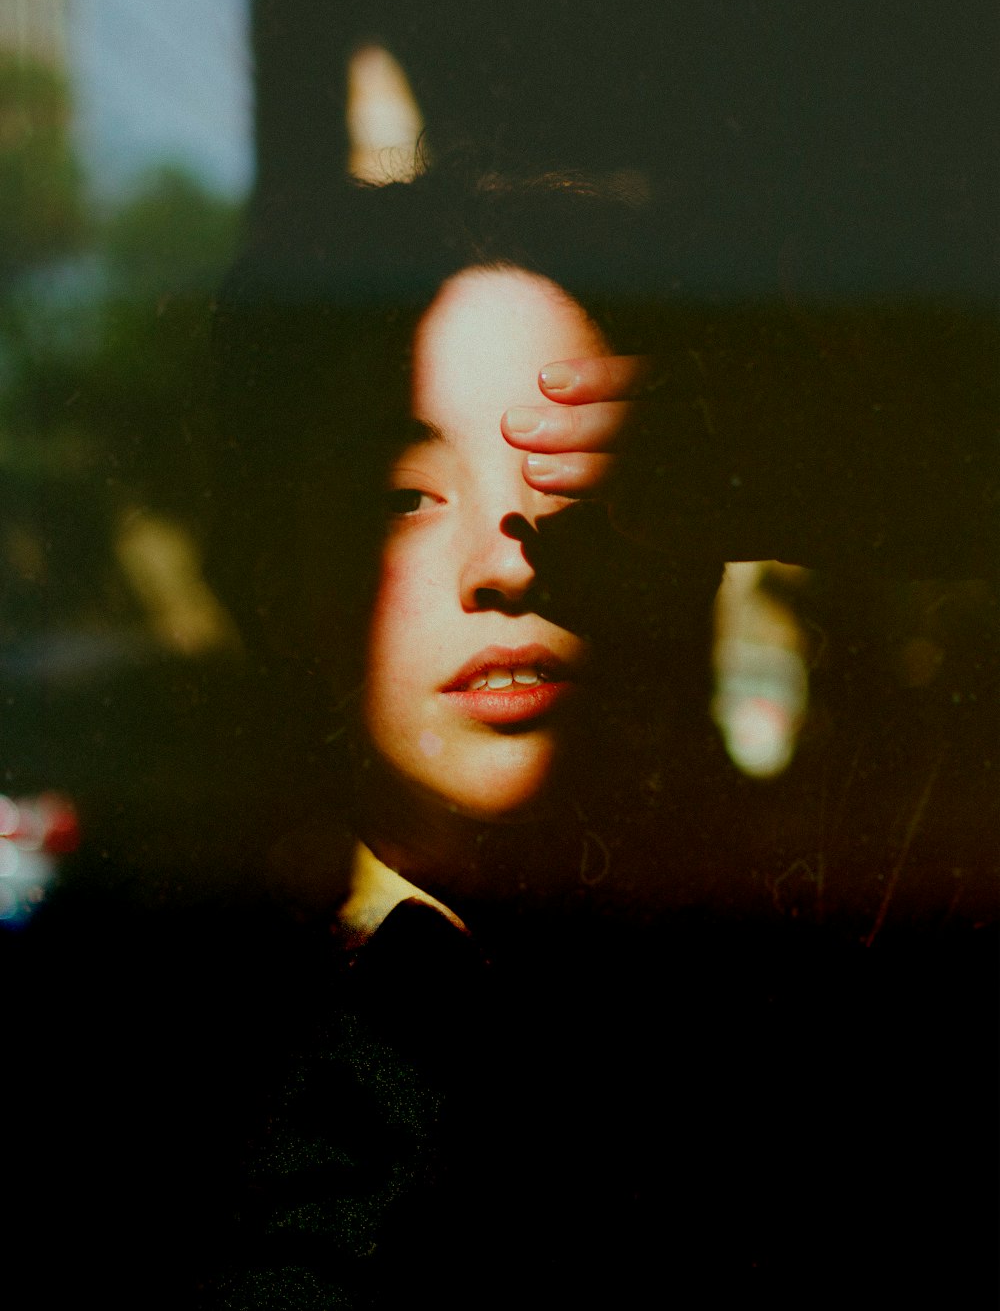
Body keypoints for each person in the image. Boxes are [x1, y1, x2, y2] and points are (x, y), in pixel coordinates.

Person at [203, 163, 997, 1307]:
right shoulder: (171, 1052)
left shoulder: (857, 1024)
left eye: (586, 480)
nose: (509, 561)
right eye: (403, 495)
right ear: (276, 569)